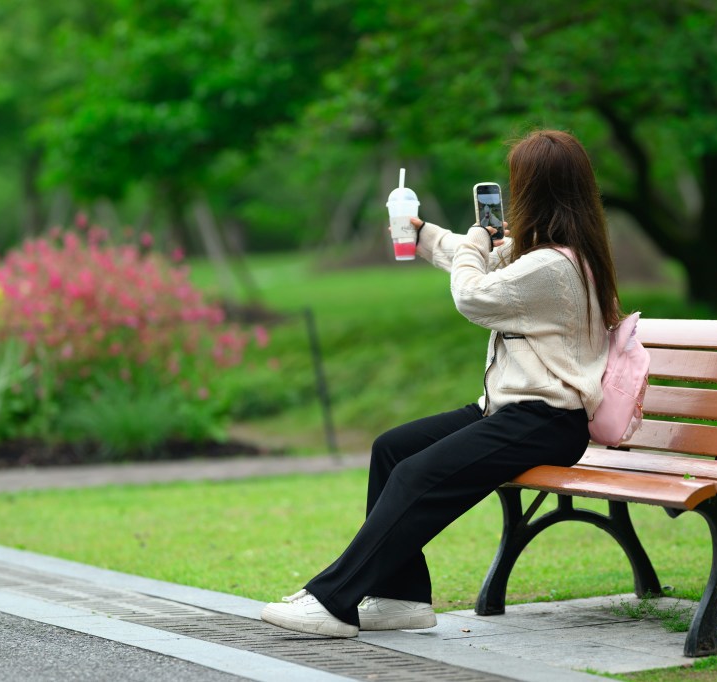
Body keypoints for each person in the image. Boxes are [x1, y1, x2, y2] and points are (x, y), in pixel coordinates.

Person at [260, 129, 622, 637]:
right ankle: (399, 597)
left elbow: (472, 293)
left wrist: (478, 240)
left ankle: (332, 600)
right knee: (393, 449)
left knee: (416, 475)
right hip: (512, 412)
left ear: (531, 191)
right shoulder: (547, 253)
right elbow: (468, 257)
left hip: (546, 419)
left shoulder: (552, 266)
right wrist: (422, 230)